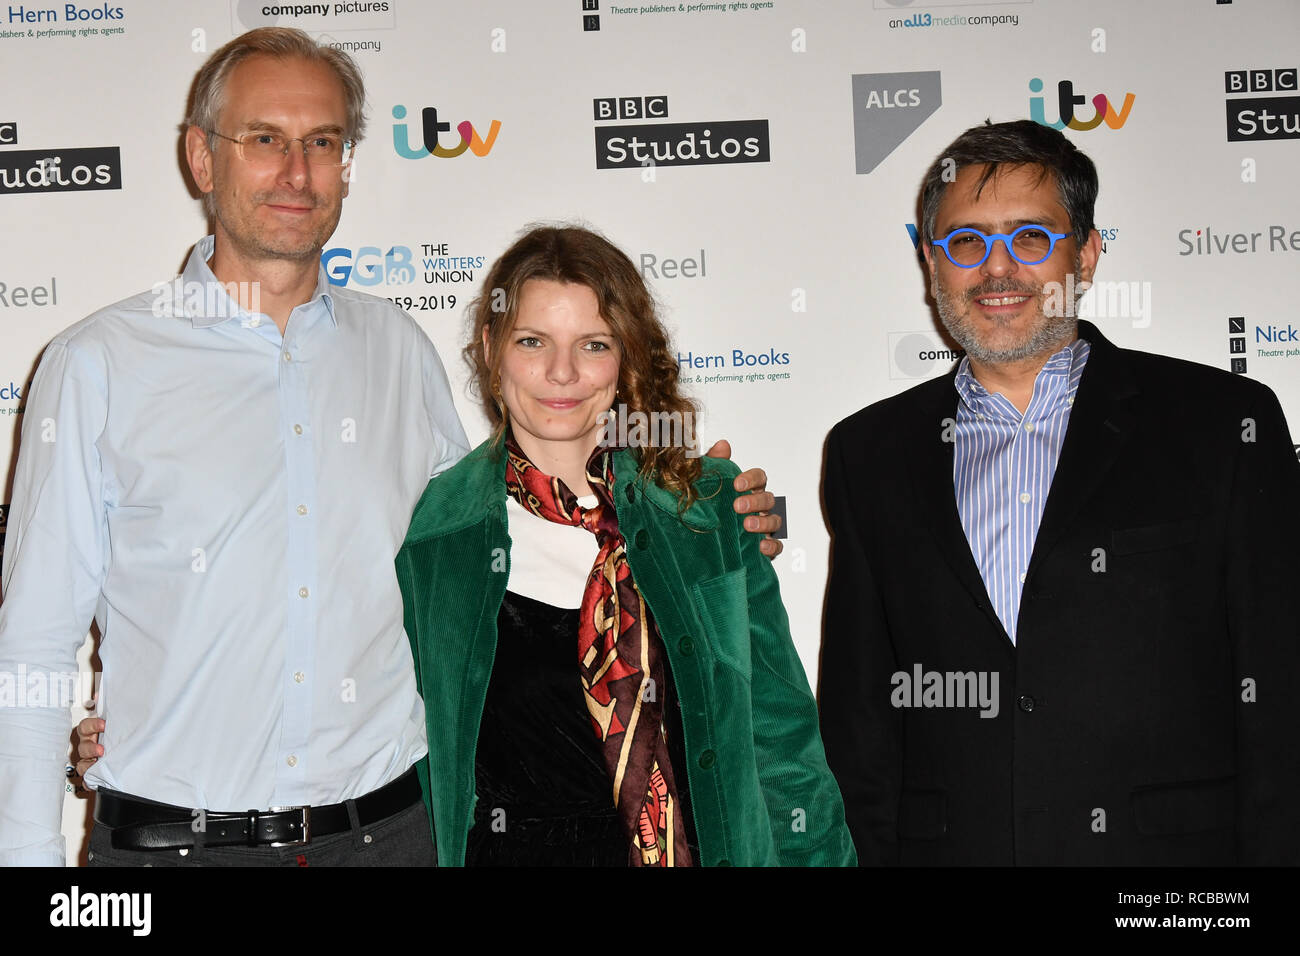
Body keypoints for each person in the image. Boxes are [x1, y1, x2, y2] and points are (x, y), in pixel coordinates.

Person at [0, 27, 779, 867]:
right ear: (201, 157)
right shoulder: (100, 363)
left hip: (390, 839)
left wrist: (697, 512)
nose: (296, 171)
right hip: (174, 847)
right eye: (265, 139)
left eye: (323, 143)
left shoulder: (395, 350)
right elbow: (36, 642)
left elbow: (488, 541)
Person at [818, 119, 1300, 866]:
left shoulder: (1221, 424)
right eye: (966, 241)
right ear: (930, 262)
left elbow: (1281, 693)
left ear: (1089, 252)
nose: (998, 268)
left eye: (1032, 238)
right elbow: (861, 721)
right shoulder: (868, 452)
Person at [394, 224, 855, 866]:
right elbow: (414, 771)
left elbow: (782, 740)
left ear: (624, 357)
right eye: (533, 342)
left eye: (593, 344)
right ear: (492, 347)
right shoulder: (433, 535)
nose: (562, 372)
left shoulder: (708, 512)